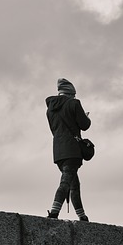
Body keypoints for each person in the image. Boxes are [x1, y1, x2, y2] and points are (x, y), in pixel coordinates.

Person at [45, 78, 91, 221]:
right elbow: (85, 125)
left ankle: (82, 216)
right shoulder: (74, 104)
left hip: (58, 150)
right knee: (66, 182)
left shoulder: (50, 109)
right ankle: (54, 213)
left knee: (73, 183)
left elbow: (54, 130)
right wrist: (85, 117)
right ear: (71, 93)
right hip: (72, 149)